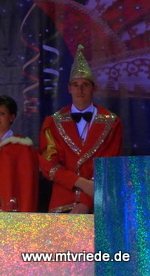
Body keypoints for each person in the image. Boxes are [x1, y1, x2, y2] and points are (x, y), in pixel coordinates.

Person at [38, 45, 123, 213]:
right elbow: (49, 165)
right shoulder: (53, 122)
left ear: (94, 88)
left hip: (99, 203)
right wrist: (81, 183)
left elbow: (109, 167)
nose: (80, 89)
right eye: (75, 85)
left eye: (85, 84)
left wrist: (85, 202)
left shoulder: (112, 123)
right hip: (63, 202)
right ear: (69, 88)